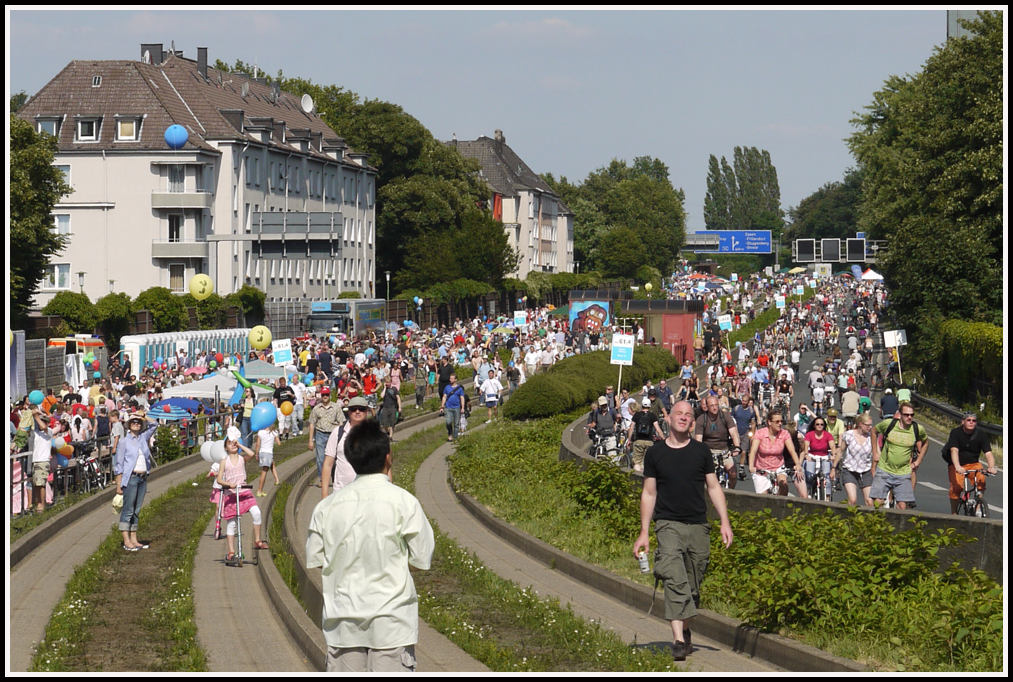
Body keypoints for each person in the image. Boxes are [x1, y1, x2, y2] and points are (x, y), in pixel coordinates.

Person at [307, 419, 435, 672]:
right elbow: (421, 559)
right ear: (388, 457)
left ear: (351, 460)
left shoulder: (326, 508)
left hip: (343, 621)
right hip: (392, 621)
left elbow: (317, 559)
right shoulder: (405, 502)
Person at [633, 400, 733, 662]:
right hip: (667, 525)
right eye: (679, 413)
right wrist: (644, 532)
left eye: (689, 415)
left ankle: (686, 631)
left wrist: (725, 521)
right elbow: (649, 493)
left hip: (698, 525)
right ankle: (677, 639)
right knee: (674, 577)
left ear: (692, 421)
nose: (684, 417)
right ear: (668, 418)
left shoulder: (701, 452)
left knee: (693, 583)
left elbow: (713, 488)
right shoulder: (655, 453)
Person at [217, 427, 268, 561]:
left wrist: (239, 444)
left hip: (244, 492)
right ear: (226, 447)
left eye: (234, 443)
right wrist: (229, 484)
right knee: (232, 523)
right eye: (230, 443)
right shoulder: (224, 461)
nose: (233, 446)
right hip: (232, 494)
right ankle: (231, 551)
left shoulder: (241, 459)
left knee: (256, 512)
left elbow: (251, 454)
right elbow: (219, 479)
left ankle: (257, 540)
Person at [113, 410, 158, 550]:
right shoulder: (123, 442)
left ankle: (134, 539)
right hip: (131, 478)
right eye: (133, 422)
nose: (136, 424)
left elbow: (155, 424)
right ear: (128, 425)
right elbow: (119, 464)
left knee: (137, 510)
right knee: (128, 509)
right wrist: (119, 484)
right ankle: (126, 540)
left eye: (138, 423)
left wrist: (143, 415)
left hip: (142, 478)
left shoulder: (143, 438)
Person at [871, 402, 927, 510]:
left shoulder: (917, 428)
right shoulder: (889, 424)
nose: (909, 417)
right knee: (878, 503)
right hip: (884, 468)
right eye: (906, 414)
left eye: (912, 415)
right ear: (900, 415)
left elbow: (925, 442)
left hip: (903, 471)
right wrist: (875, 452)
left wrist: (918, 461)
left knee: (902, 506)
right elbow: (874, 431)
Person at [943, 412, 997, 515]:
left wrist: (991, 467)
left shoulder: (981, 435)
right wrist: (958, 466)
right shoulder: (956, 433)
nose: (971, 422)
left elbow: (988, 453)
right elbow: (954, 450)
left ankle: (978, 507)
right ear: (963, 422)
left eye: (974, 421)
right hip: (957, 464)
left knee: (981, 481)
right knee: (957, 487)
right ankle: (954, 513)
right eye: (968, 420)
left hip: (973, 464)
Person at [321, 396, 372, 498]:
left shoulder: (374, 434)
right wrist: (324, 493)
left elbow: (385, 465)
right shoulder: (337, 433)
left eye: (361, 409)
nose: (357, 412)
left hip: (368, 494)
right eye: (353, 409)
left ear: (367, 412)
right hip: (342, 493)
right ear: (349, 412)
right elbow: (328, 464)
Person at [748, 409, 804, 496]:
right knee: (762, 498)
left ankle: (781, 506)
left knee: (784, 485)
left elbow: (792, 451)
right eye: (777, 421)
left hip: (778, 467)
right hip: (762, 468)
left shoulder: (784, 434)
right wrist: (751, 466)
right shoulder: (760, 433)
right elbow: (753, 451)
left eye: (781, 421)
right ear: (769, 422)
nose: (780, 423)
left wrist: (798, 464)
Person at [831, 413, 878, 506]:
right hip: (849, 470)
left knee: (870, 502)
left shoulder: (871, 437)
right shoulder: (849, 435)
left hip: (865, 471)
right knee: (853, 500)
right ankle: (850, 518)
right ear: (860, 424)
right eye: (868, 425)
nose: (870, 427)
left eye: (871, 425)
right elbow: (841, 451)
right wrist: (833, 468)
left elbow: (877, 454)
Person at [693, 396, 741, 488]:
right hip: (709, 451)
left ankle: (731, 492)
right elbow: (698, 439)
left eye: (716, 405)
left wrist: (736, 448)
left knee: (733, 474)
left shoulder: (725, 416)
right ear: (707, 406)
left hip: (724, 450)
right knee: (704, 477)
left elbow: (734, 433)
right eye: (712, 406)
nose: (715, 408)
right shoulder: (702, 419)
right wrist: (700, 453)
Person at [308, 387, 344, 486]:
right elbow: (312, 423)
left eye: (327, 395)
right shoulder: (316, 408)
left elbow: (341, 422)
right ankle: (322, 479)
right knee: (320, 458)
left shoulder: (336, 407)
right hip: (320, 434)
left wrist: (342, 437)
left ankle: (334, 477)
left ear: (329, 395)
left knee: (335, 458)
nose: (325, 397)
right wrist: (310, 440)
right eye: (323, 395)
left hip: (333, 434)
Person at [627, 398, 664, 473]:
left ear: (642, 405)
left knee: (637, 462)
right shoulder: (652, 416)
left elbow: (631, 428)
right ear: (650, 406)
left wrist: (629, 439)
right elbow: (658, 430)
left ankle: (637, 478)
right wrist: (664, 439)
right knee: (646, 462)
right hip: (649, 442)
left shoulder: (637, 415)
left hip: (638, 441)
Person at [254, 420, 281, 497]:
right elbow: (279, 444)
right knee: (264, 472)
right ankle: (259, 490)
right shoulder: (274, 432)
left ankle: (277, 479)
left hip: (262, 452)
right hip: (268, 453)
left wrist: (256, 454)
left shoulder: (260, 432)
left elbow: (257, 444)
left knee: (272, 463)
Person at [439, 373, 467, 443]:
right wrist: (442, 406)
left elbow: (462, 398)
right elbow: (444, 397)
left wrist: (462, 407)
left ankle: (455, 437)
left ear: (455, 379)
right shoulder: (447, 387)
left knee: (456, 423)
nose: (450, 379)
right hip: (448, 407)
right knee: (448, 422)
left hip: (457, 407)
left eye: (451, 378)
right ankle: (450, 433)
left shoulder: (459, 388)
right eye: (450, 378)